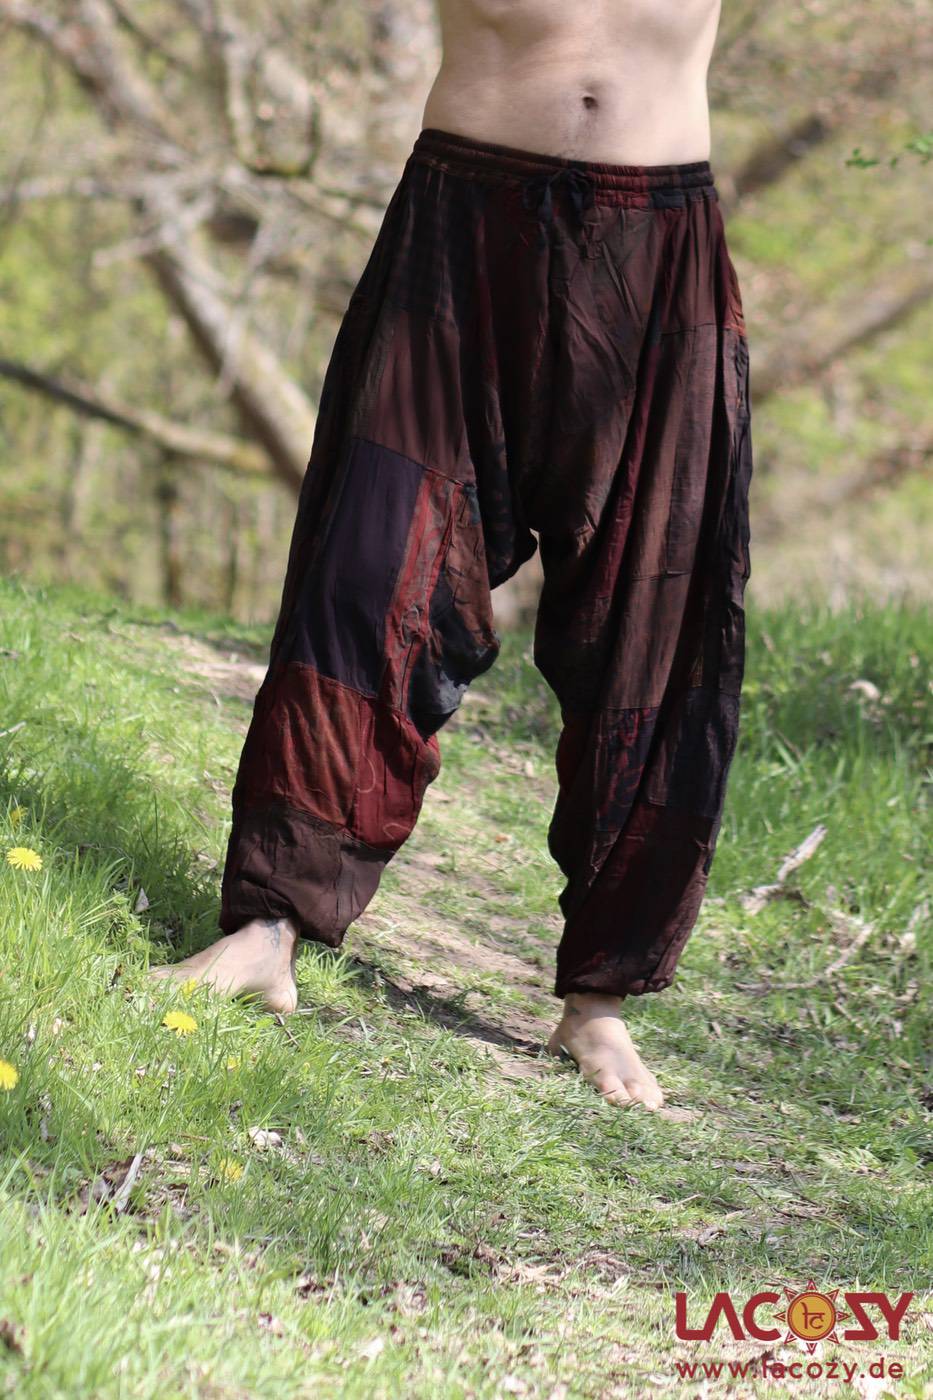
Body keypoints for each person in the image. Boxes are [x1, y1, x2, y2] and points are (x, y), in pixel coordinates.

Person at [152, 0, 753, 1113]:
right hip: (462, 228)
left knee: (654, 620)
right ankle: (270, 925)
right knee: (365, 573)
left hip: (659, 245)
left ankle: (599, 996)